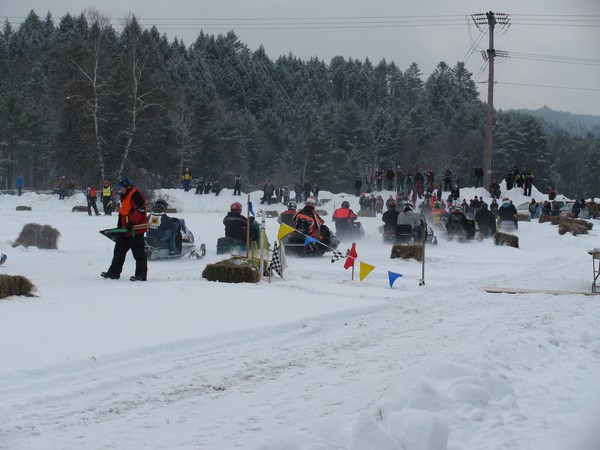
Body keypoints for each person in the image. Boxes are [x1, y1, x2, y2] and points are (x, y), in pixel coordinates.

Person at [101, 177, 148, 281]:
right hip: (125, 230)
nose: (121, 189)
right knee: (118, 251)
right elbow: (123, 212)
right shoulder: (124, 196)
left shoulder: (136, 195)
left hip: (135, 230)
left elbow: (140, 210)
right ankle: (113, 273)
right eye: (120, 187)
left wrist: (131, 222)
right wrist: (119, 225)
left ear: (128, 186)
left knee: (139, 254)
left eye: (122, 187)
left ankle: (140, 276)